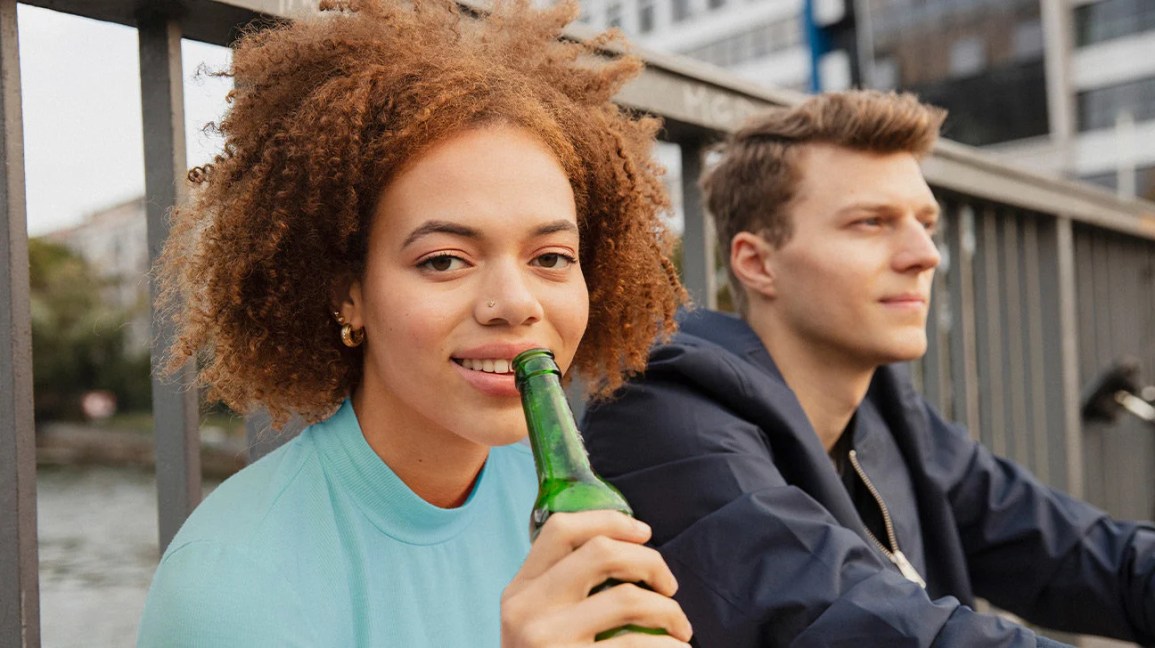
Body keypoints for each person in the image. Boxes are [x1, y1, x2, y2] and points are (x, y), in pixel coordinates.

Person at [136, 1, 695, 645]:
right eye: (444, 260)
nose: (515, 303)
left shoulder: (544, 501)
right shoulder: (228, 583)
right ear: (350, 296)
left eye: (551, 258)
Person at [581, 90, 1155, 647]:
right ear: (756, 263)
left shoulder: (888, 408)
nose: (925, 254)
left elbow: (1083, 554)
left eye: (925, 224)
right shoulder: (663, 409)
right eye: (871, 223)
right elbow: (845, 621)